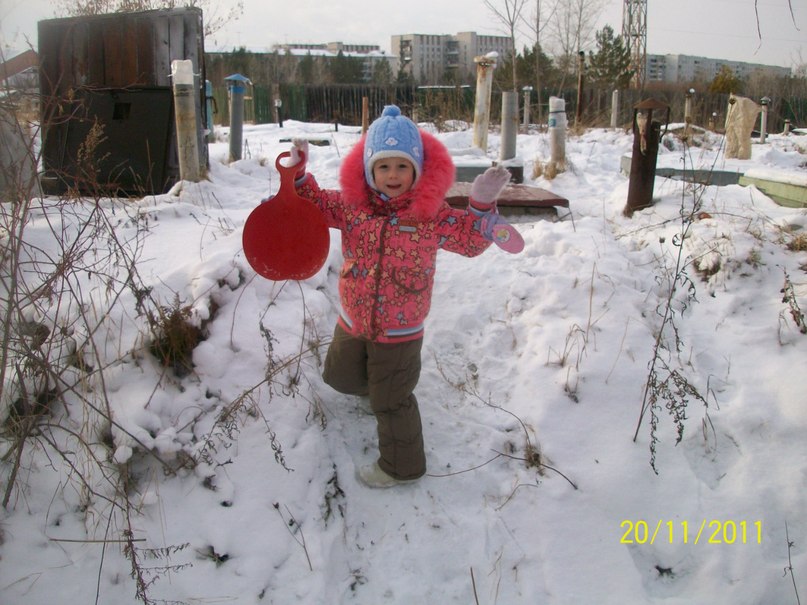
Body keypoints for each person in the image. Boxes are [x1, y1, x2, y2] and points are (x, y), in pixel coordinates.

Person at [285, 105, 521, 488]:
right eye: (383, 166)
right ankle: (373, 387)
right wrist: (296, 173)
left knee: (392, 402)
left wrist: (480, 207)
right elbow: (314, 202)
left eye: (401, 166)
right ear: (368, 170)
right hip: (355, 317)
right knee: (340, 377)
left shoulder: (429, 215)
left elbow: (470, 241)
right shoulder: (353, 207)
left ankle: (402, 466)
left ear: (416, 170)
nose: (392, 175)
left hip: (400, 329)